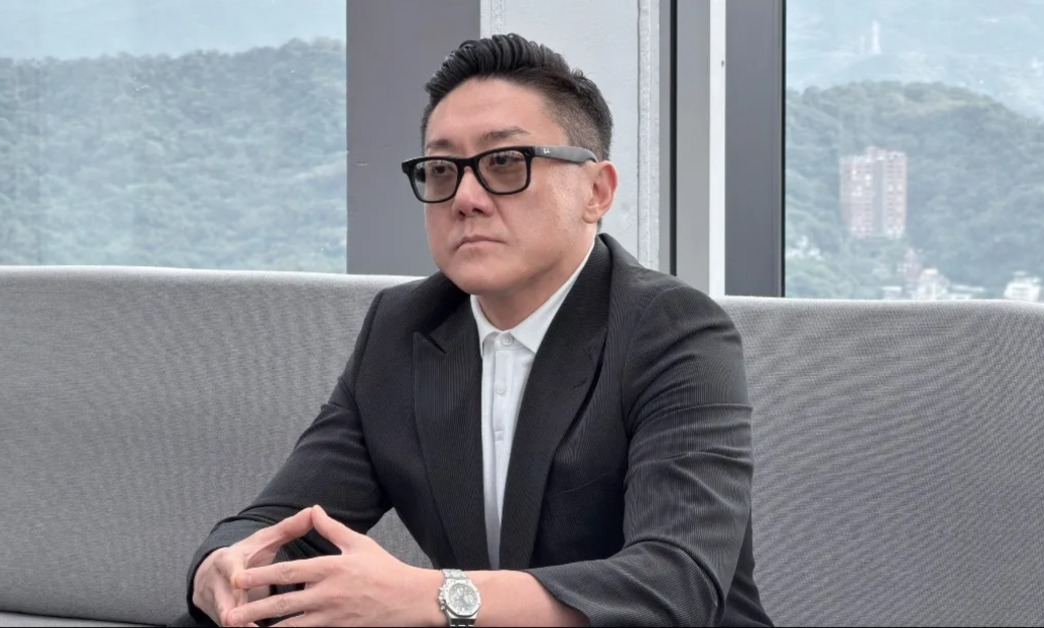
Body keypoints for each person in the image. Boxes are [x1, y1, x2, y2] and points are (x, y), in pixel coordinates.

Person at [174, 33, 771, 627]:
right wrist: (227, 567)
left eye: (504, 162)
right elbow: (284, 525)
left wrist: (432, 596)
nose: (465, 198)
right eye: (441, 169)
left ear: (596, 191)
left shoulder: (675, 331)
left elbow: (673, 585)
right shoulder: (402, 327)